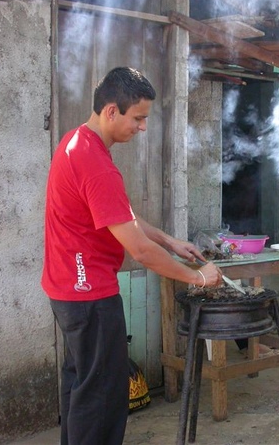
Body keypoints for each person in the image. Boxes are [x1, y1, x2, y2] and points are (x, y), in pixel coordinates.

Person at [41, 67, 223, 445]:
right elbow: (138, 250)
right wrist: (198, 277)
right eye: (138, 118)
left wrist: (170, 241)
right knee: (103, 399)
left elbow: (121, 216)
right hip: (89, 294)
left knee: (80, 387)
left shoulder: (77, 142)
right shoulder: (94, 162)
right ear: (111, 111)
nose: (142, 128)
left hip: (67, 290)